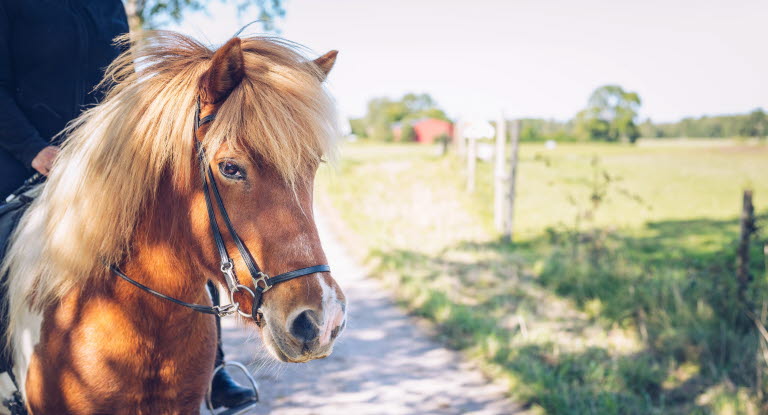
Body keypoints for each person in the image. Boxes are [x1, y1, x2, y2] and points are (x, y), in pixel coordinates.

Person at [0, 0, 255, 408]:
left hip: (103, 163)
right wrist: (36, 150)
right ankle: (5, 377)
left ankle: (216, 368)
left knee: (180, 229)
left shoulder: (107, 5)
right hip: (23, 161)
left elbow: (123, 85)